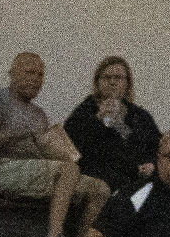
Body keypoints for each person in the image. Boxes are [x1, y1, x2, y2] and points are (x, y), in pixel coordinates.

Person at [0, 52, 111, 237]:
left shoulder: (39, 114)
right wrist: (23, 133)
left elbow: (44, 159)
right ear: (12, 74)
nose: (35, 79)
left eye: (40, 75)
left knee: (100, 188)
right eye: (29, 72)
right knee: (68, 170)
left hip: (29, 170)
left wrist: (57, 148)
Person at [62, 56, 162, 195]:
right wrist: (97, 120)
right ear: (97, 82)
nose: (112, 82)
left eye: (118, 78)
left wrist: (152, 164)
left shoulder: (140, 116)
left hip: (139, 178)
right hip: (100, 177)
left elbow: (158, 147)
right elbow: (70, 146)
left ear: (127, 83)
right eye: (107, 77)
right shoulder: (86, 110)